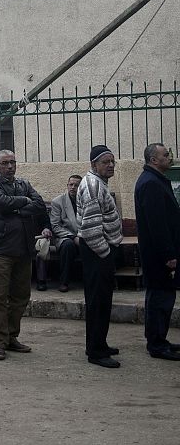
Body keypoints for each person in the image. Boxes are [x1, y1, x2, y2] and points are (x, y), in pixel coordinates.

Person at [0, 149, 50, 361]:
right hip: (1, 250)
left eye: (13, 162)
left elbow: (40, 205)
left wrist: (17, 205)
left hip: (24, 249)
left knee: (21, 296)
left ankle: (11, 336)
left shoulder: (23, 183)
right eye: (5, 163)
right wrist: (24, 202)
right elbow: (1, 203)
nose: (10, 166)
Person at [77, 145, 123, 368]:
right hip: (97, 251)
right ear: (94, 165)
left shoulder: (97, 183)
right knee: (98, 302)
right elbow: (91, 229)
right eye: (106, 162)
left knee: (102, 301)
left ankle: (99, 344)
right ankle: (96, 352)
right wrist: (106, 254)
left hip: (99, 250)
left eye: (112, 161)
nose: (111, 165)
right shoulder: (94, 186)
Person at [134, 143, 180, 361]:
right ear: (154, 160)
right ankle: (157, 344)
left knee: (162, 297)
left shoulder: (156, 179)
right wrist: (169, 255)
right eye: (165, 154)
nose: (169, 157)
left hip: (159, 254)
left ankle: (159, 339)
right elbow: (157, 224)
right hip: (158, 256)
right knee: (160, 299)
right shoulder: (151, 183)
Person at [46, 175, 83, 292]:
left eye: (76, 185)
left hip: (83, 235)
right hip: (64, 237)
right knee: (68, 246)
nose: (73, 187)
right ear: (67, 186)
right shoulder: (58, 201)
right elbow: (55, 226)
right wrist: (73, 237)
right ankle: (64, 282)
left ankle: (91, 280)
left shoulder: (85, 200)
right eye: (71, 185)